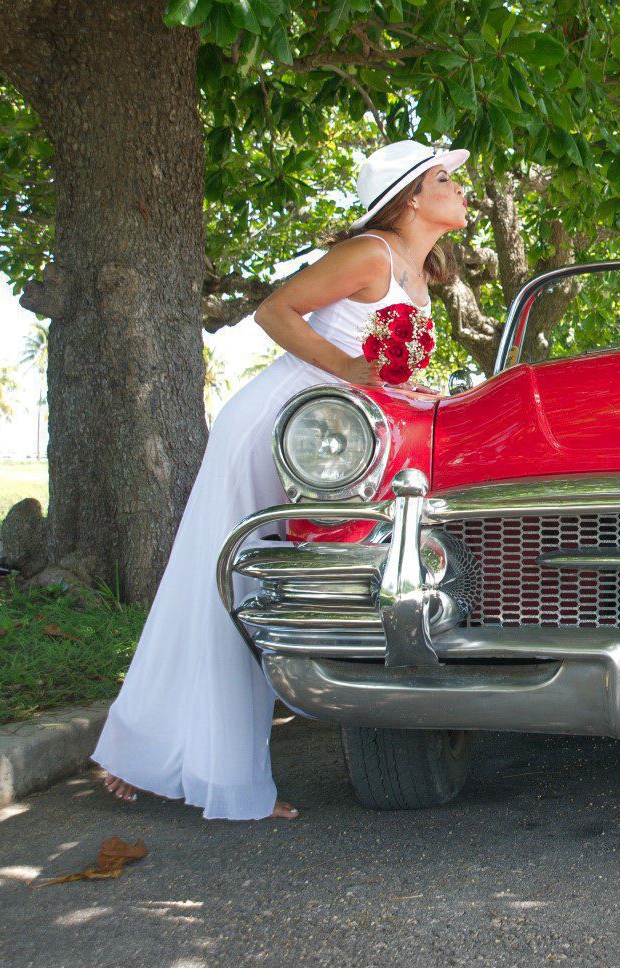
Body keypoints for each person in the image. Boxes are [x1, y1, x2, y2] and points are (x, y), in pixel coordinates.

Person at [92, 140, 469, 820]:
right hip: (277, 423)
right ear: (412, 196)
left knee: (275, 581)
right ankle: (171, 757)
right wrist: (348, 370)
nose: (462, 190)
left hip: (331, 439)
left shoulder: (418, 271)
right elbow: (273, 312)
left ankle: (160, 748)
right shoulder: (371, 253)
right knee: (234, 582)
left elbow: (384, 368)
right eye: (446, 179)